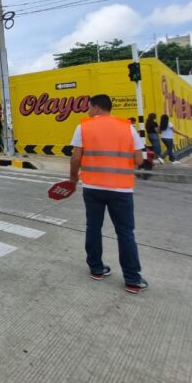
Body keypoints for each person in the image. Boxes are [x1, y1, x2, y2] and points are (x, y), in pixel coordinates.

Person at [68, 94, 148, 294]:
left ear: (96, 107)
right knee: (125, 233)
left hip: (93, 187)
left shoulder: (83, 127)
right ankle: (132, 279)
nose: (87, 111)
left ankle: (96, 269)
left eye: (89, 108)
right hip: (121, 189)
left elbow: (75, 158)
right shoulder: (127, 127)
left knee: (93, 227)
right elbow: (139, 159)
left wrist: (73, 179)